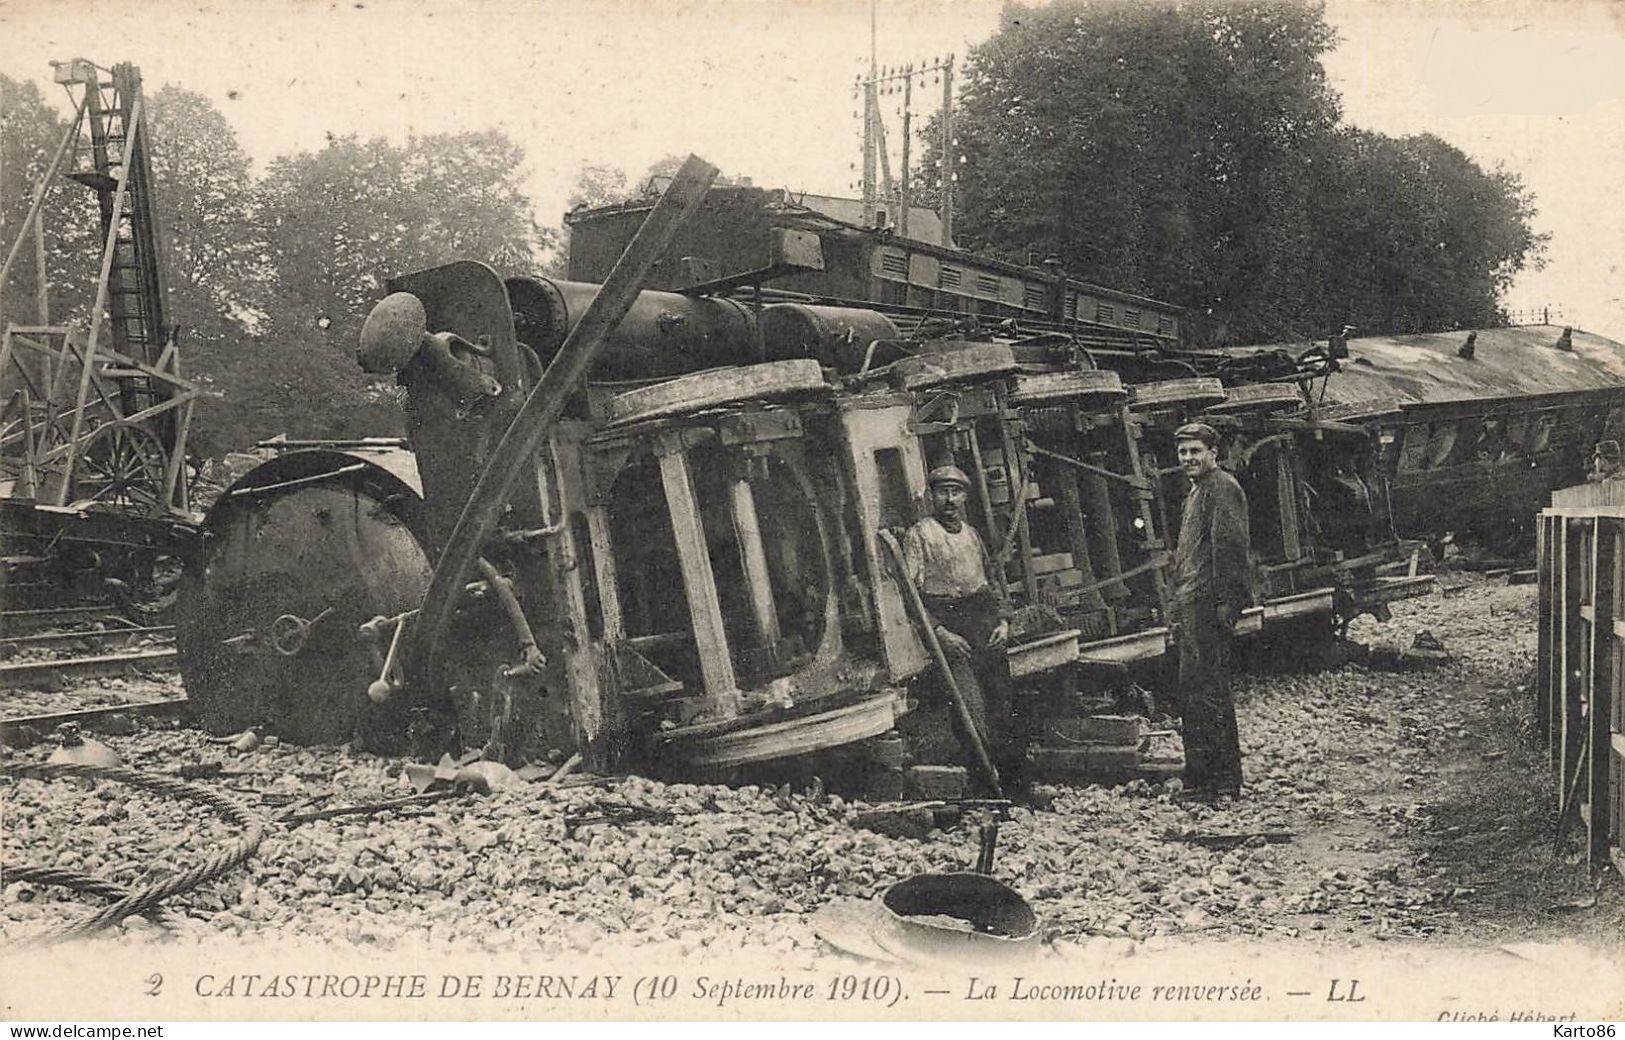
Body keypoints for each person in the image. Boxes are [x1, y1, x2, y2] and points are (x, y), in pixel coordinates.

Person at [900, 464, 1024, 794]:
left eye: (956, 492)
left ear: (965, 496)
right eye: (942, 492)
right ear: (932, 496)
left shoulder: (971, 535)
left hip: (984, 624)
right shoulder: (920, 536)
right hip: (951, 629)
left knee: (1002, 706)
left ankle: (1015, 787)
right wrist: (940, 633)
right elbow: (910, 598)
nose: (949, 499)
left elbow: (992, 582)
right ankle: (985, 790)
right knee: (970, 711)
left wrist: (1004, 621)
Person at [1169, 422, 1251, 804]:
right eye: (1183, 452)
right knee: (1193, 693)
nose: (1188, 458)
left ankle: (1223, 783)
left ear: (1213, 453)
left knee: (1211, 693)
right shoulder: (1197, 491)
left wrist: (1228, 605)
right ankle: (1200, 780)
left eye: (1195, 451)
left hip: (1207, 606)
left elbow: (1230, 550)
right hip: (1191, 603)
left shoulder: (1222, 488)